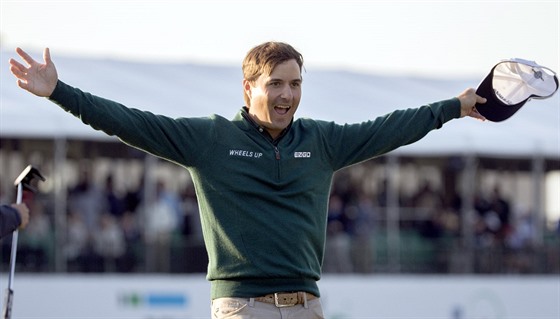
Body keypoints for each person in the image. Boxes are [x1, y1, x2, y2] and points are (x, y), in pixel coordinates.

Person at [9, 42, 487, 318]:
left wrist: (453, 107)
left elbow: (389, 129)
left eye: (295, 84)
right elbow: (128, 121)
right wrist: (59, 92)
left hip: (308, 307)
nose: (287, 94)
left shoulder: (321, 140)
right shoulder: (209, 139)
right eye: (275, 83)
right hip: (241, 309)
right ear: (249, 88)